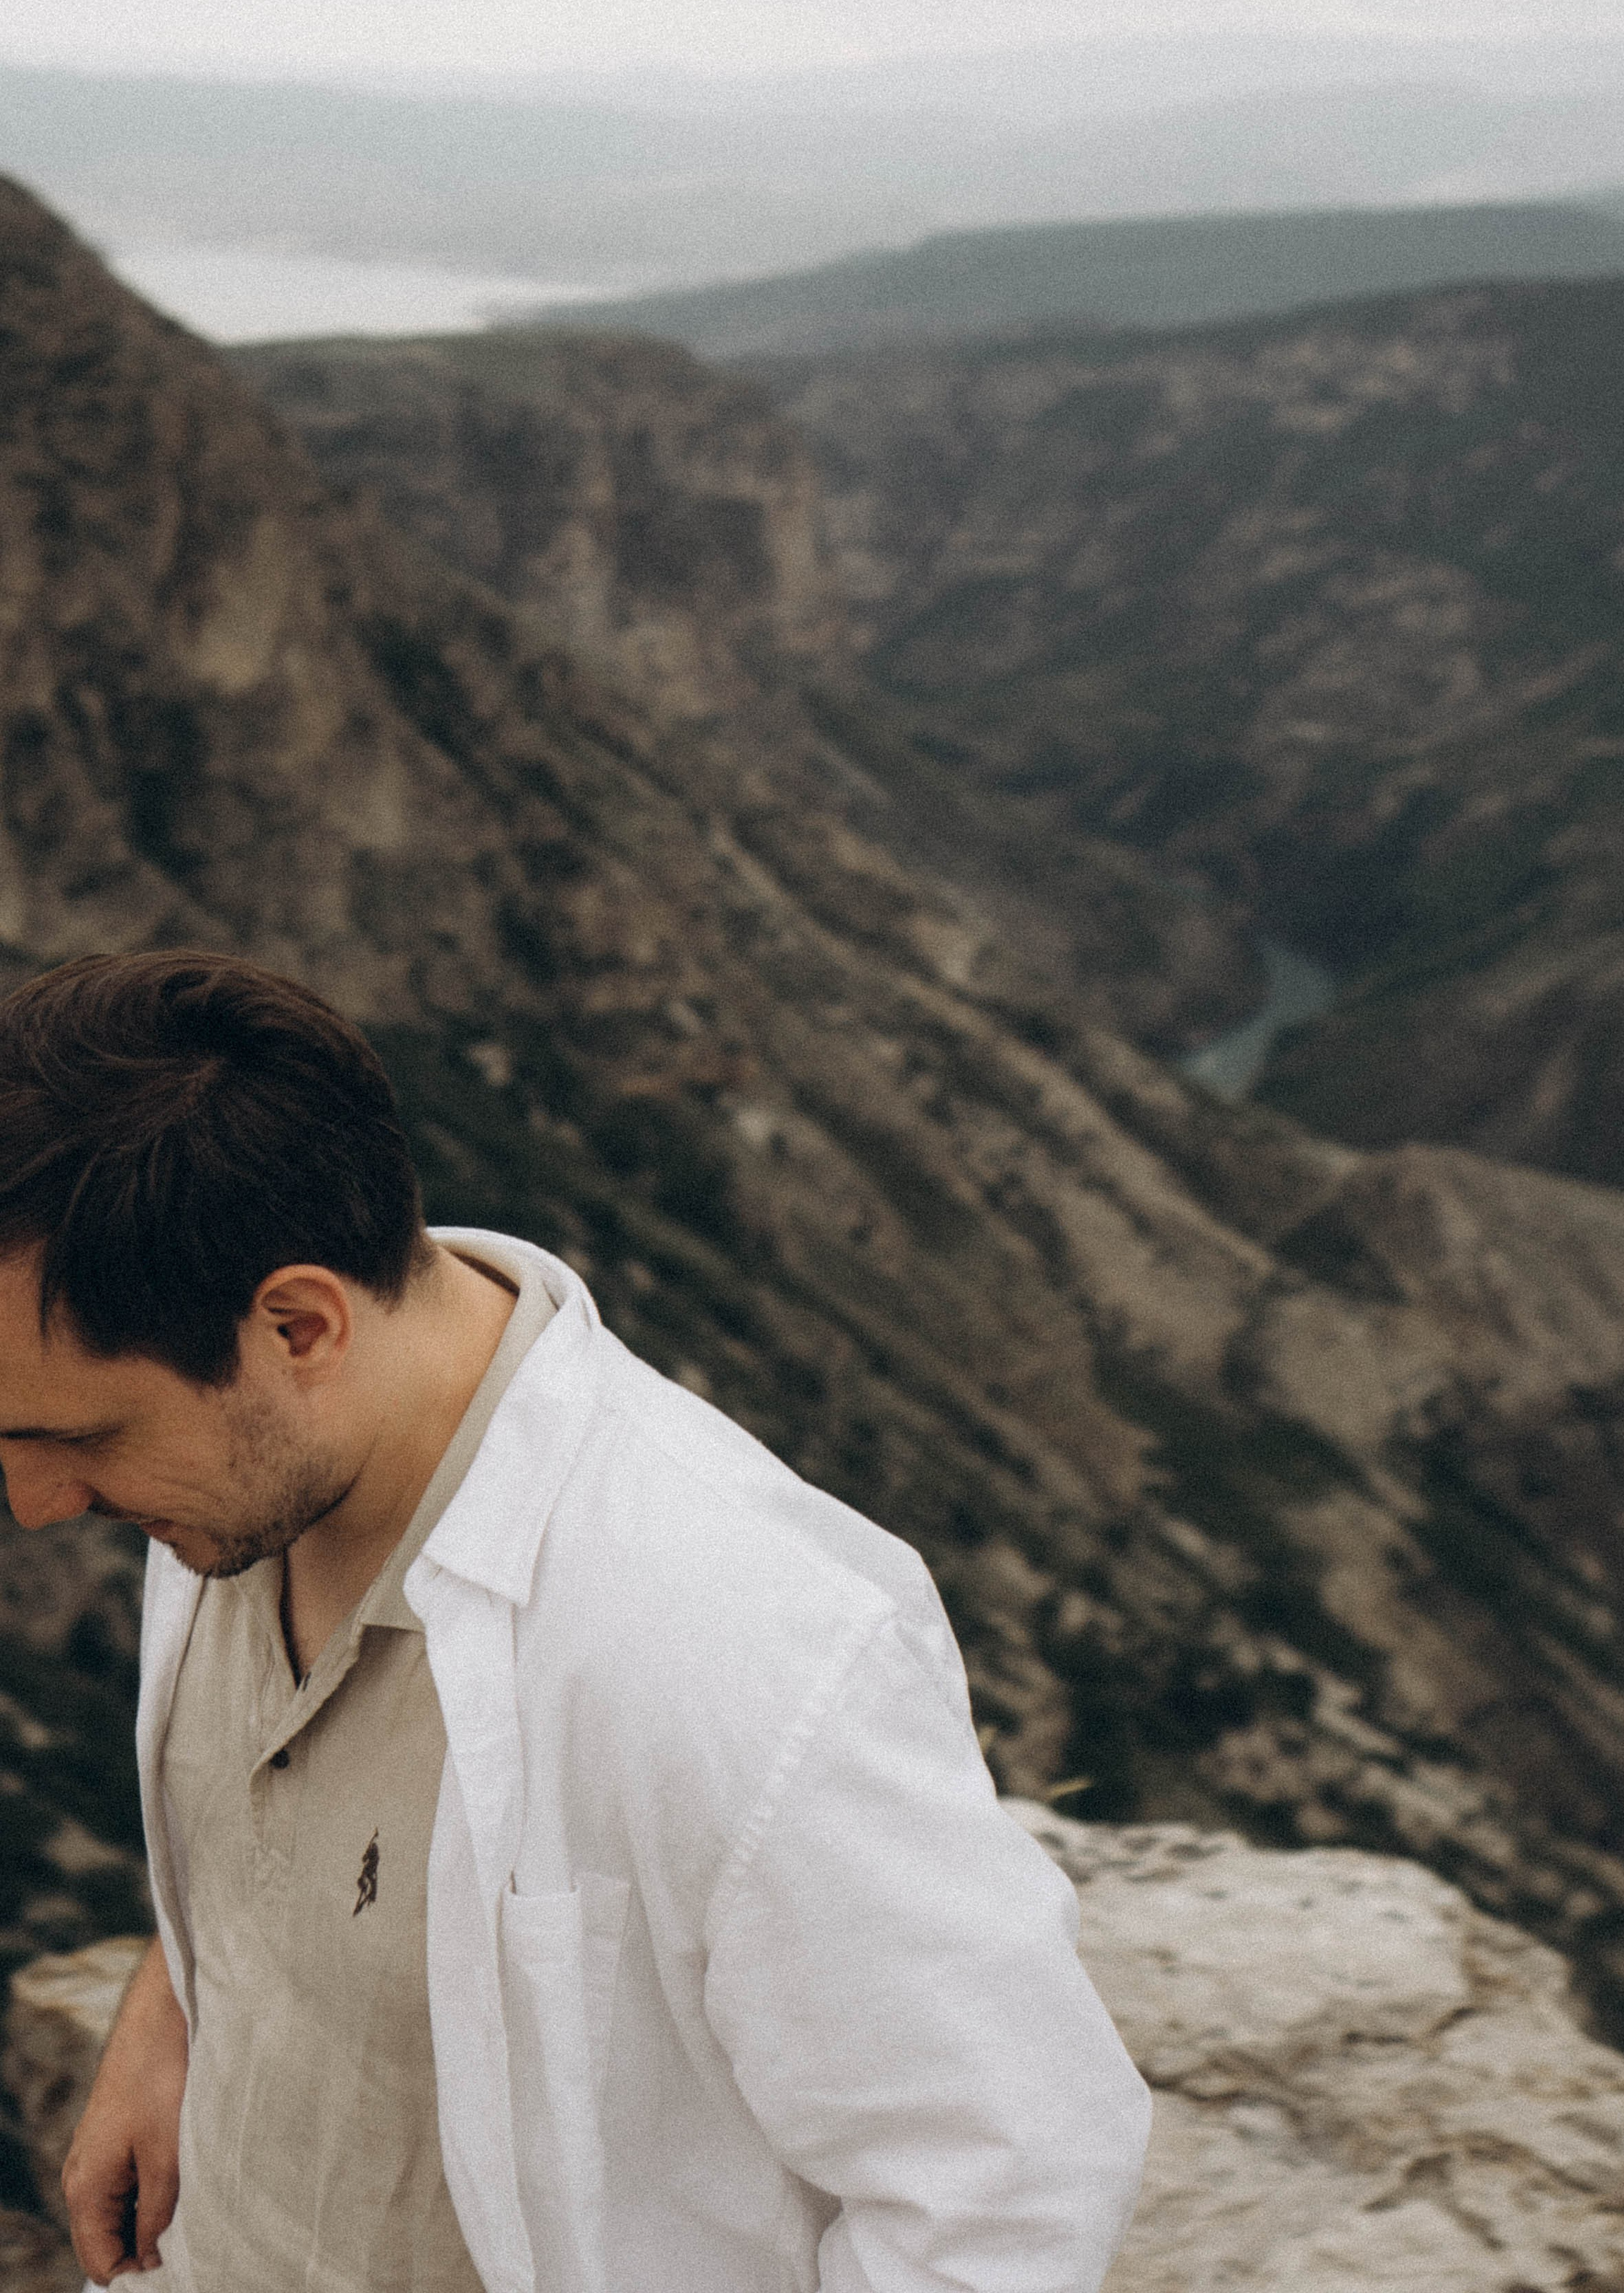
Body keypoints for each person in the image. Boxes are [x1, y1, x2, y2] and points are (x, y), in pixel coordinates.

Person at [0, 952, 1149, 2292]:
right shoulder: (236, 1473)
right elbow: (293, 1825)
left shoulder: (735, 1646)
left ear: (298, 1327)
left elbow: (1010, 2184)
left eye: (70, 1435)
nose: (34, 1505)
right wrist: (178, 2002)